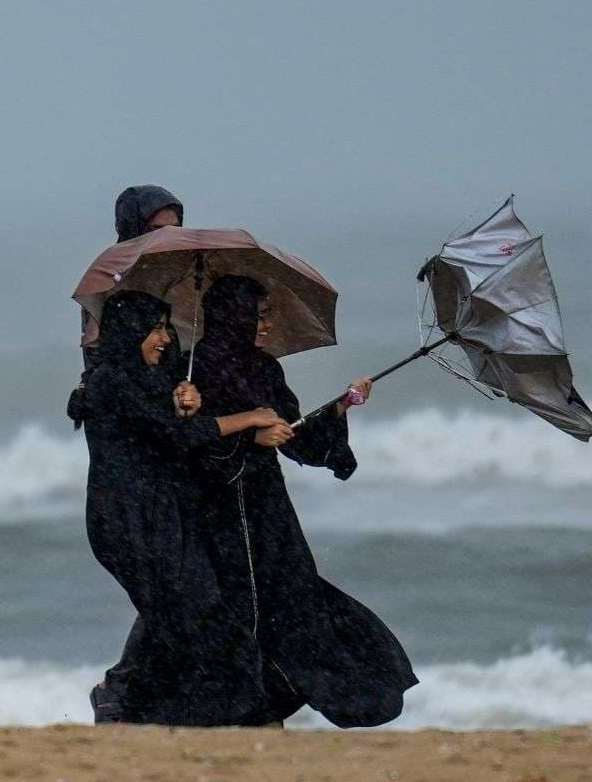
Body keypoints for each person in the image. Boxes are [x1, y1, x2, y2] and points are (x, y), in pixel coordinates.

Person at [190, 275, 418, 728]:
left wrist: (342, 406)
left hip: (266, 508)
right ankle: (240, 709)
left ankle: (274, 707)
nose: (267, 326)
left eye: (266, 316)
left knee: (295, 600)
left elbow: (296, 438)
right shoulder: (191, 371)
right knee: (235, 607)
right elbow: (187, 444)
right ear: (232, 317)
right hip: (215, 509)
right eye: (259, 316)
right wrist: (249, 440)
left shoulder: (264, 369)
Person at [79, 290, 288, 725]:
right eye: (153, 328)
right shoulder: (110, 381)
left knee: (182, 610)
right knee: (188, 608)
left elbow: (172, 429)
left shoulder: (149, 380)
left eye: (165, 327)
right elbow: (173, 437)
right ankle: (143, 701)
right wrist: (250, 419)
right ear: (129, 331)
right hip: (126, 518)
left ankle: (131, 705)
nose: (163, 338)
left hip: (162, 514)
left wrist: (185, 403)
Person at [68, 185, 186, 429]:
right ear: (134, 228)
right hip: (125, 419)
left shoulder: (183, 276)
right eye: (156, 230)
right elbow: (100, 355)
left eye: (175, 230)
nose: (167, 238)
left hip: (173, 410)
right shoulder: (108, 278)